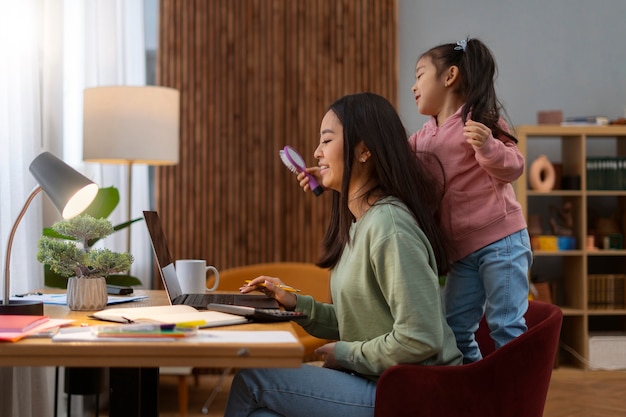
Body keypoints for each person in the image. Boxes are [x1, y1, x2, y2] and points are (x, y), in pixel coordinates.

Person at [223, 92, 463, 417]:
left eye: (326, 140)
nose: (316, 152)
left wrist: (345, 354)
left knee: (253, 380)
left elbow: (420, 338)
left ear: (364, 150)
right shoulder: (361, 225)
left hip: (410, 394)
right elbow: (360, 323)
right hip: (379, 381)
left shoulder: (389, 227)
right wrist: (295, 304)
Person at [408, 37, 532, 363]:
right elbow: (390, 165)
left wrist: (488, 147)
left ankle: (512, 401)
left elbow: (514, 166)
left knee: (506, 325)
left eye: (419, 75)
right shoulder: (420, 139)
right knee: (454, 329)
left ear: (449, 77)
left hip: (501, 242)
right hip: (461, 254)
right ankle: (477, 389)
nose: (413, 86)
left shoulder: (478, 120)